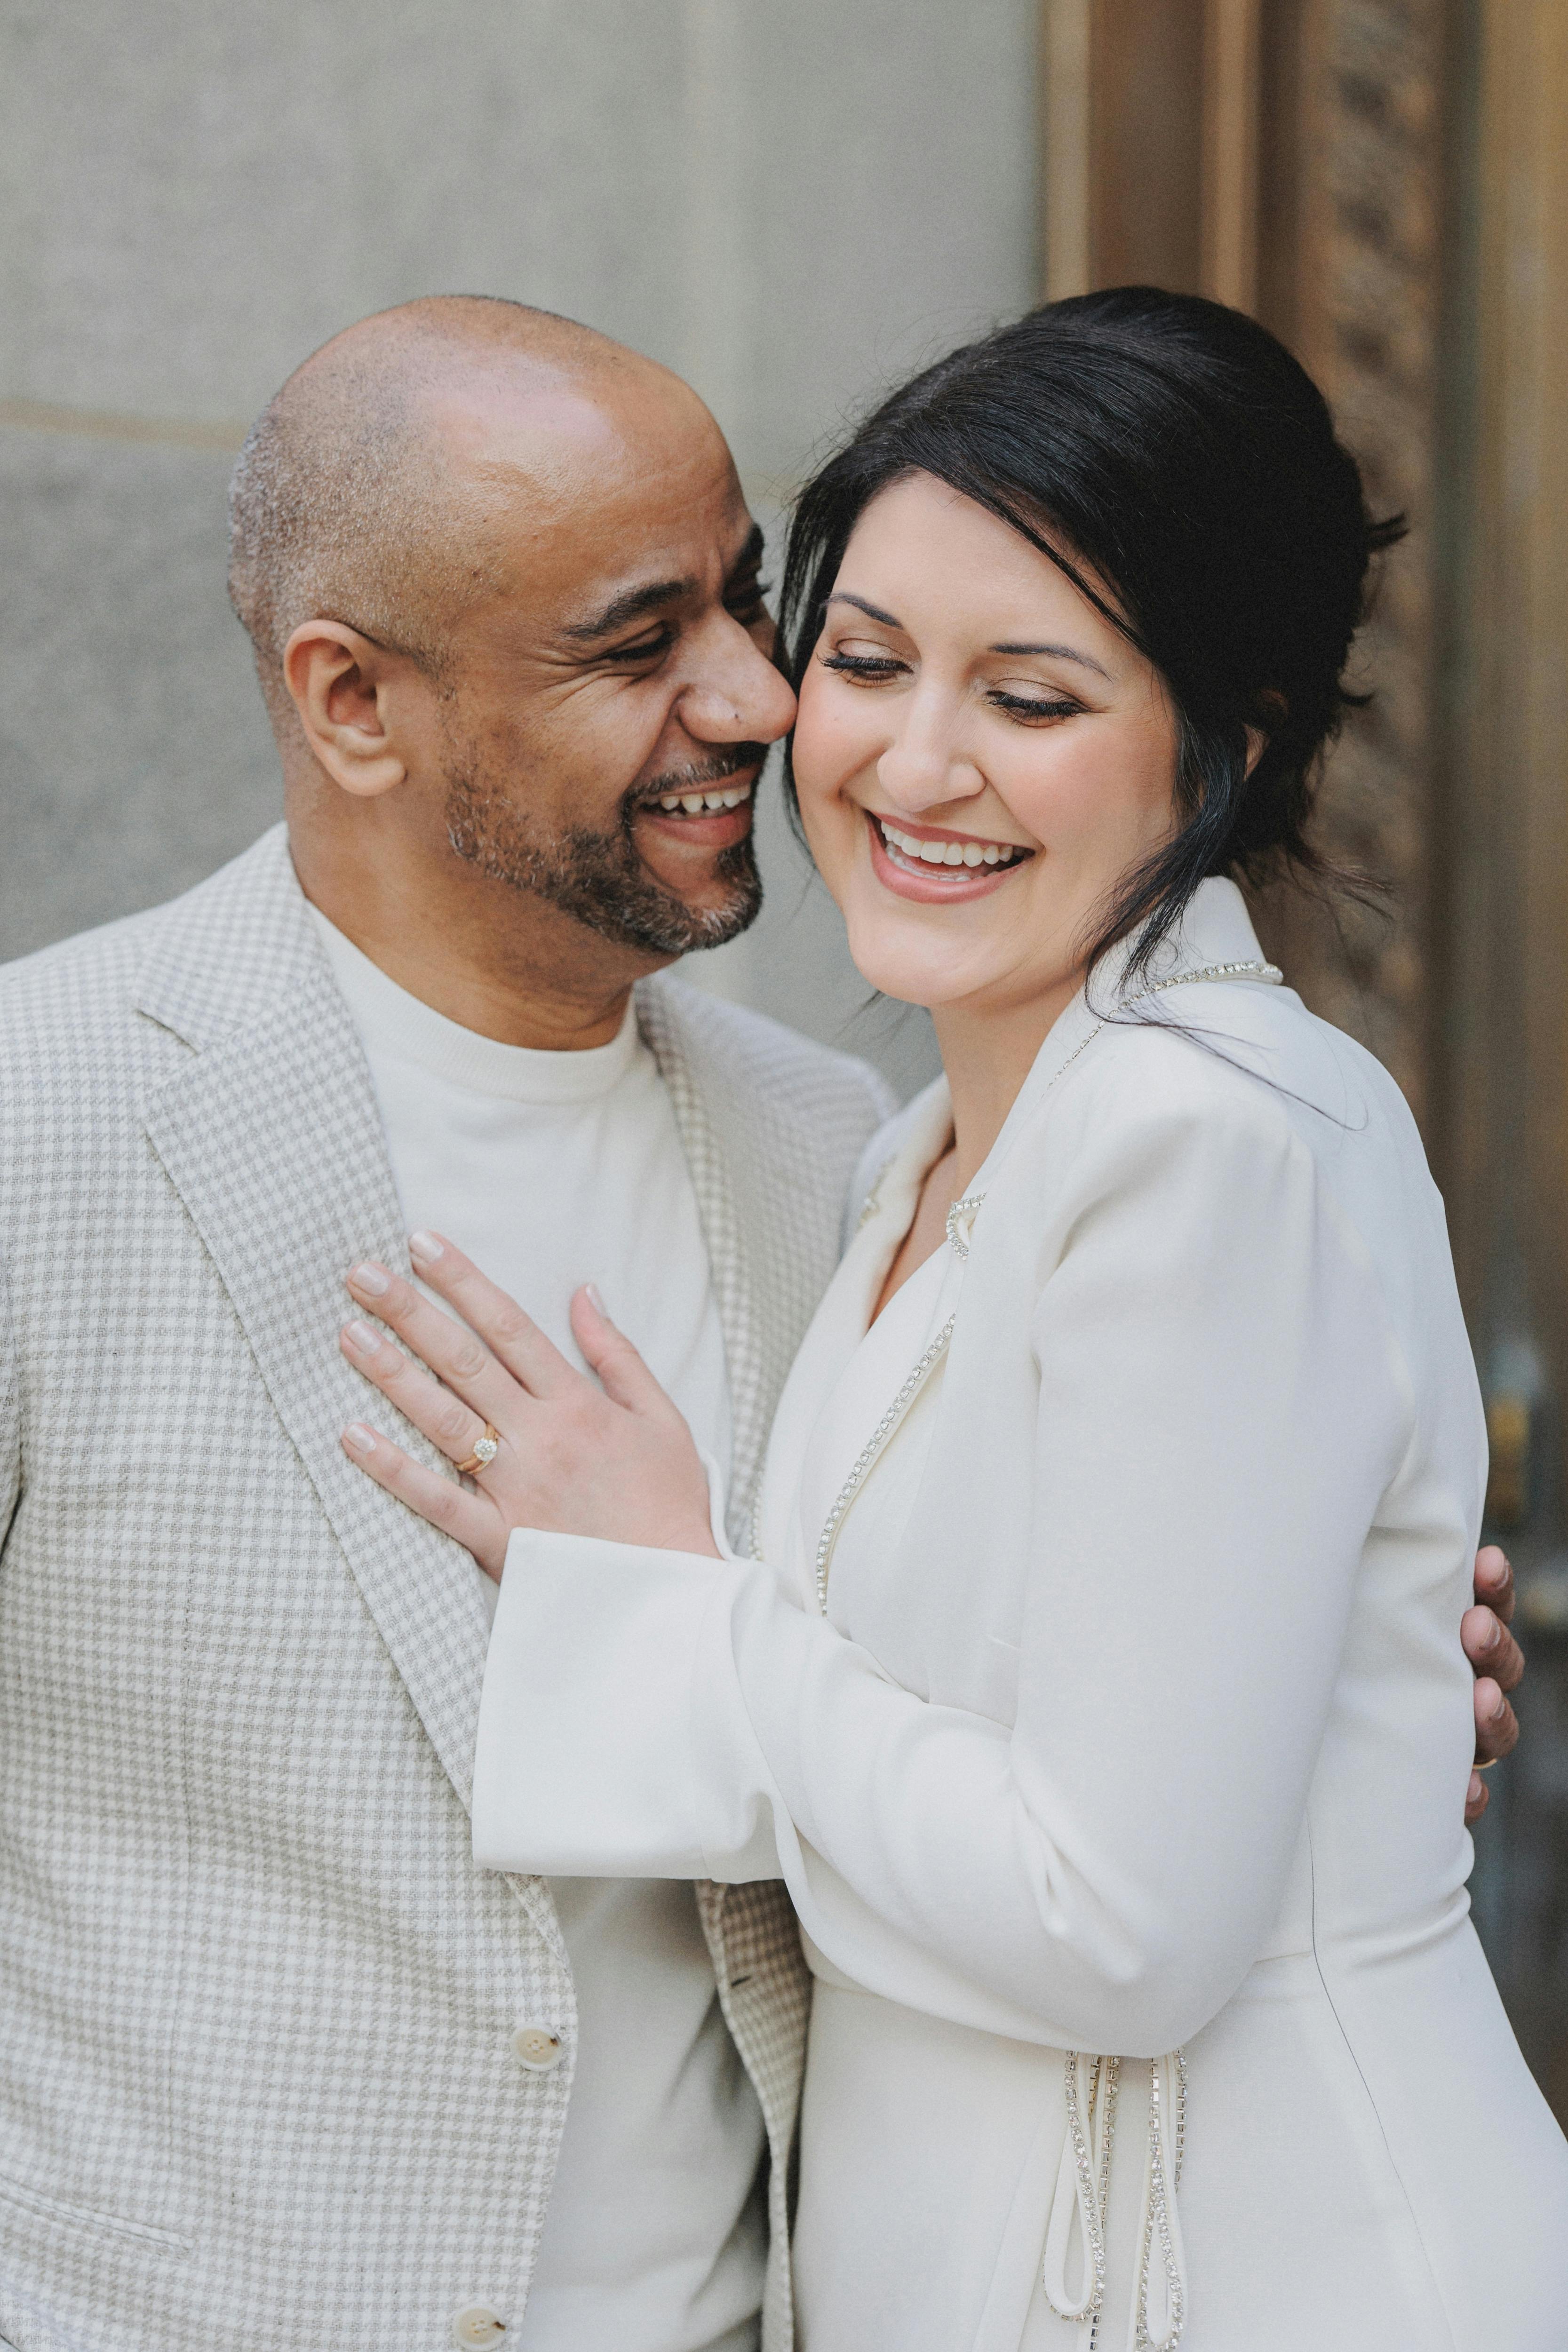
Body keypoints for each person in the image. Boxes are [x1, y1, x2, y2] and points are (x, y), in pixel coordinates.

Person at [338, 290, 1567, 2349]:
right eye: (871, 659)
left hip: (1275, 2275)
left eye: (1037, 695)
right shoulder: (908, 1154)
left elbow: (1116, 1925)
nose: (917, 761)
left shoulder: (1204, 1142)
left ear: (1229, 739)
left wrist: (671, 1591)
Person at [0, 296, 896, 2352]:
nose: (757, 696)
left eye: (747, 603)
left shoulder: (842, 1150)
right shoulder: (35, 1118)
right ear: (353, 704)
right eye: (635, 640)